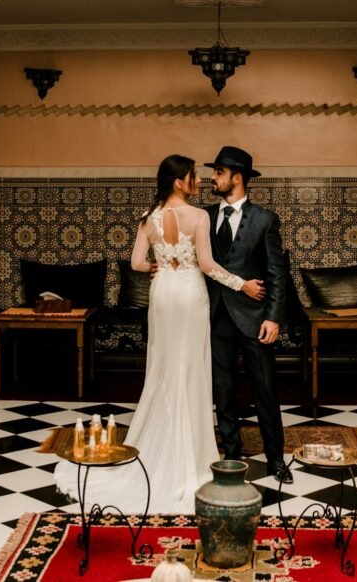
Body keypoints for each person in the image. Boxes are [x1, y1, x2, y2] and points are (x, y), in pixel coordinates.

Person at [53, 154, 264, 513]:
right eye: (193, 176)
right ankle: (191, 458)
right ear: (179, 181)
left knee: (163, 369)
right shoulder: (198, 217)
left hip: (164, 291)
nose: (198, 180)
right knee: (191, 369)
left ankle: (158, 446)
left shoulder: (147, 219)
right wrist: (242, 284)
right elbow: (210, 266)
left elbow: (136, 263)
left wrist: (157, 266)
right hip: (190, 293)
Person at [204, 146, 292, 484]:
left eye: (219, 173)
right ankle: (229, 455)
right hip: (215, 316)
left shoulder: (265, 220)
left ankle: (275, 459)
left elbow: (276, 273)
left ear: (236, 177)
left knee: (265, 389)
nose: (213, 178)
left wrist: (274, 317)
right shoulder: (205, 217)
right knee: (223, 389)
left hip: (255, 318)